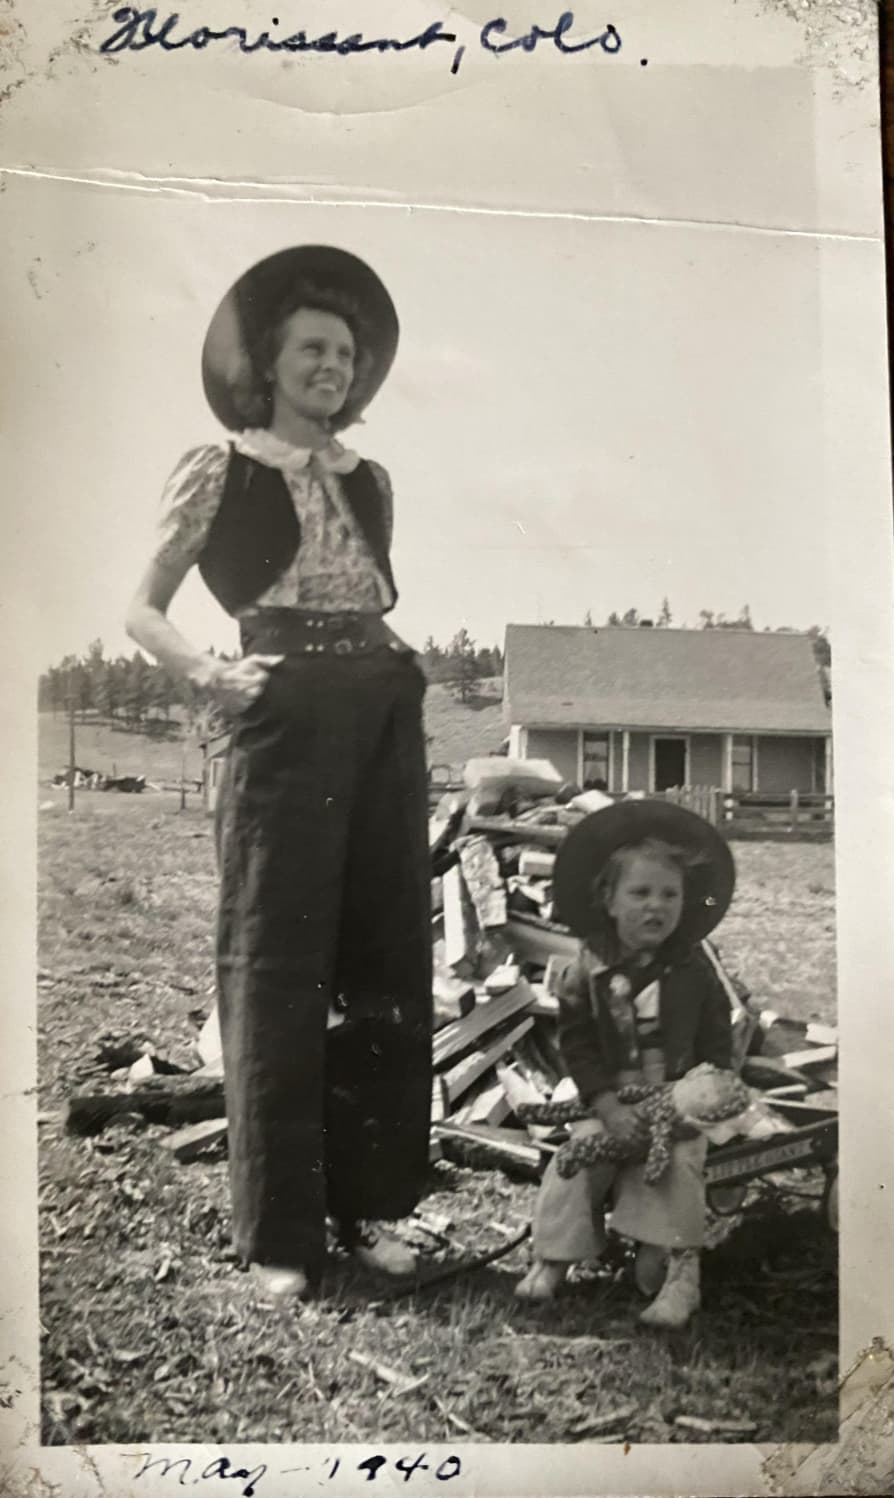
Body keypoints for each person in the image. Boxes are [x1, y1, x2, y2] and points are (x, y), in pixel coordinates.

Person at [126, 246, 432, 1301]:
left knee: (385, 963)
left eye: (346, 352)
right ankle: (282, 1237)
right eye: (311, 347)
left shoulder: (372, 481)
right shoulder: (222, 467)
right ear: (268, 361)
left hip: (384, 715)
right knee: (277, 971)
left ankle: (372, 1207)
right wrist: (214, 672)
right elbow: (141, 610)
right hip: (281, 724)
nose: (331, 366)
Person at [515, 799, 737, 1329]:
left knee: (678, 1164)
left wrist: (700, 1097)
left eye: (669, 894)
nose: (654, 907)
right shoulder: (584, 969)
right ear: (609, 901)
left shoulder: (693, 968)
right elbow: (579, 1046)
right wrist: (606, 1103)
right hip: (614, 1099)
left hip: (677, 1100)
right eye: (639, 894)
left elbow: (717, 1039)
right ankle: (555, 1257)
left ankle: (680, 1273)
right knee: (577, 1157)